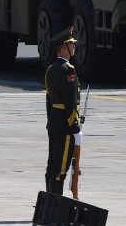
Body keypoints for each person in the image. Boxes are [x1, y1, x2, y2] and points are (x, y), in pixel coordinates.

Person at [44, 27, 81, 195]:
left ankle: (48, 201)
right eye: (71, 44)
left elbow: (49, 100)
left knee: (52, 164)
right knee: (61, 168)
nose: (74, 47)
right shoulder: (68, 70)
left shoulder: (51, 69)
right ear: (64, 47)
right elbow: (70, 103)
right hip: (65, 125)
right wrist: (75, 127)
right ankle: (56, 205)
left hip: (54, 122)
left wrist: (51, 120)